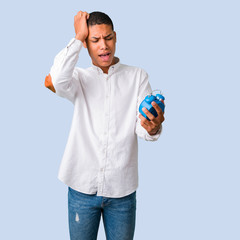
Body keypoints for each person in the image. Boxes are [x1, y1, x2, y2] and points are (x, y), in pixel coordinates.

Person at [45, 10, 165, 240]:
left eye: (108, 38)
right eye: (95, 40)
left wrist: (153, 127)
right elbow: (57, 78)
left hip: (122, 190)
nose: (104, 46)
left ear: (116, 37)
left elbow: (142, 127)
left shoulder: (137, 76)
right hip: (81, 187)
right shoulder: (78, 78)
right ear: (87, 45)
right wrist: (78, 37)